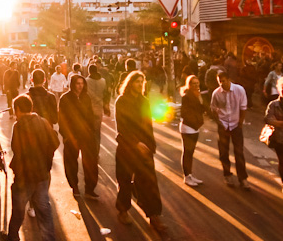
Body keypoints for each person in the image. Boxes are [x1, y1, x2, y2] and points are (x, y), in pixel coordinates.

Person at [1, 94, 61, 241]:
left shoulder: (19, 126)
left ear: (18, 109)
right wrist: (45, 157)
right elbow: (55, 143)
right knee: (45, 213)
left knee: (18, 211)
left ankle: (12, 240)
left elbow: (15, 148)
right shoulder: (42, 121)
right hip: (42, 175)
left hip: (25, 177)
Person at [115, 71, 167, 231]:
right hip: (127, 146)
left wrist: (150, 146)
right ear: (130, 83)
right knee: (125, 181)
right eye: (137, 81)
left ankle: (154, 215)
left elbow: (148, 125)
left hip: (144, 148)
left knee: (149, 182)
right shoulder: (121, 101)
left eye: (141, 82)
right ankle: (123, 210)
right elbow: (122, 127)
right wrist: (135, 143)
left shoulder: (144, 101)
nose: (139, 84)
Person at [58, 74, 99, 197]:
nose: (80, 86)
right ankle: (74, 186)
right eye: (77, 83)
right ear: (72, 84)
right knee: (71, 163)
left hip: (86, 135)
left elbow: (90, 116)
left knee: (90, 163)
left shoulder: (86, 97)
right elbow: (62, 119)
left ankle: (90, 189)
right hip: (71, 136)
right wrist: (66, 135)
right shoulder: (65, 98)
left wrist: (92, 132)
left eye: (82, 83)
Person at [209, 71, 251, 189]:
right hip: (223, 125)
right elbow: (213, 109)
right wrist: (219, 123)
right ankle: (227, 175)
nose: (222, 84)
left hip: (235, 125)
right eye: (219, 82)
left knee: (239, 152)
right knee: (223, 152)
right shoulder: (216, 93)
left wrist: (240, 123)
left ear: (229, 80)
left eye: (223, 81)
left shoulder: (239, 90)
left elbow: (243, 107)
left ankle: (242, 178)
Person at [179, 75, 206, 187]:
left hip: (195, 127)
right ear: (189, 85)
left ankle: (189, 174)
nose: (196, 85)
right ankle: (186, 176)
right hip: (188, 127)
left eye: (197, 83)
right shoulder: (186, 96)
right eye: (193, 83)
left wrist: (200, 100)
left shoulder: (197, 95)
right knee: (187, 152)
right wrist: (194, 122)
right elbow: (184, 113)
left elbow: (202, 110)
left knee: (191, 153)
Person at [85, 64, 109, 154]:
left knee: (89, 131)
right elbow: (106, 94)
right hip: (99, 109)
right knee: (97, 132)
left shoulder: (86, 81)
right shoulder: (103, 81)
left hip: (89, 109)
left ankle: (90, 151)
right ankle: (97, 151)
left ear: (89, 71)